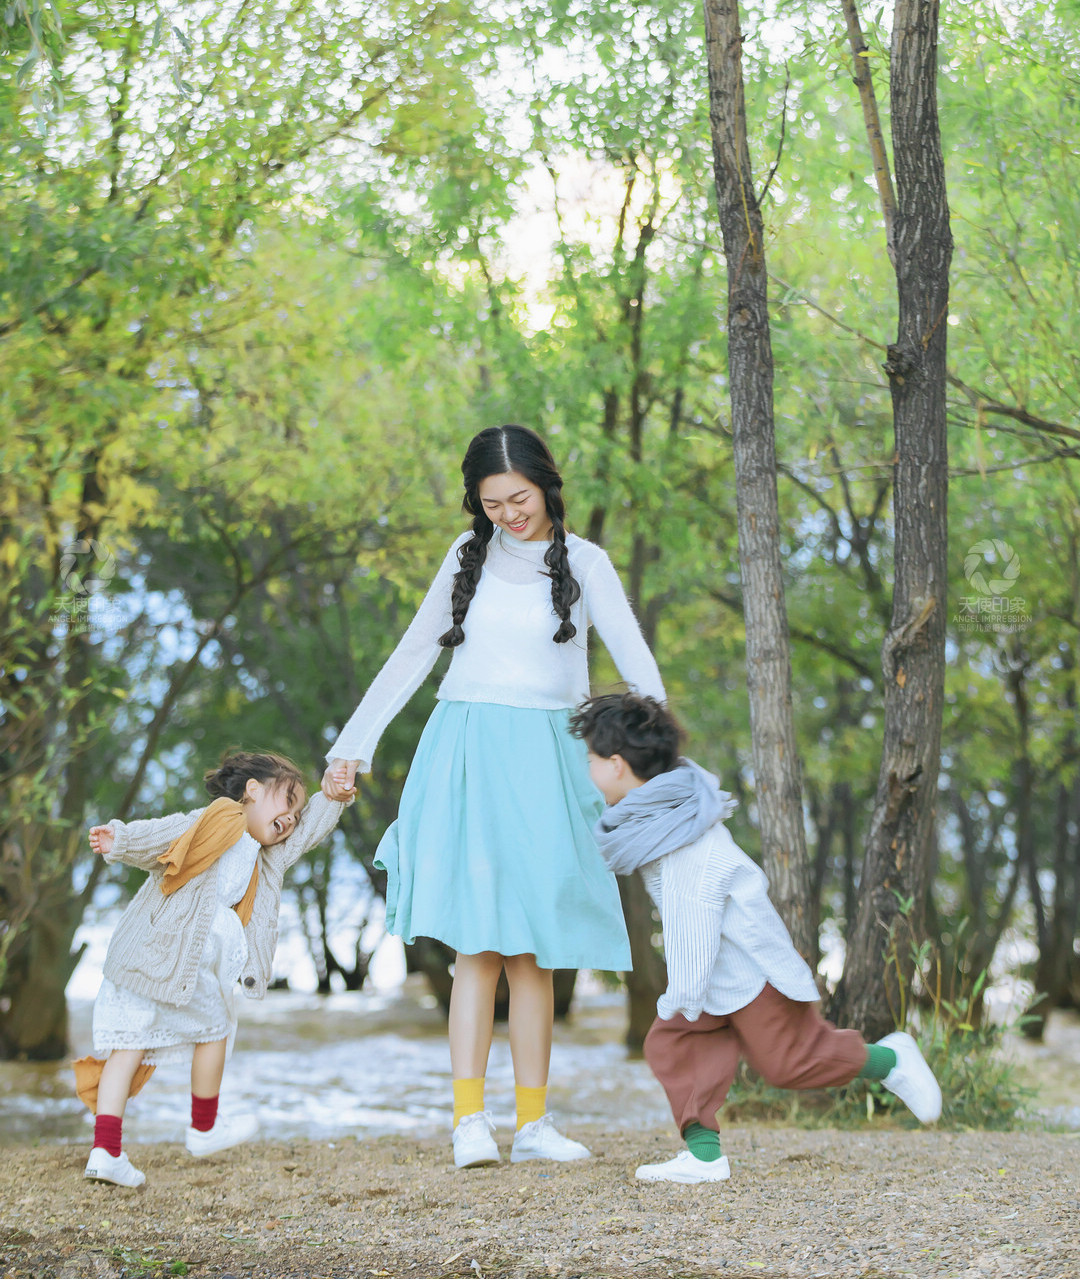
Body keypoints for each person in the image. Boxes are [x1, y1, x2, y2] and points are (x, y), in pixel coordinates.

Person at [325, 424, 666, 1169]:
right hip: (469, 750)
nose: (509, 514)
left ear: (547, 482)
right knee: (477, 946)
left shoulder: (586, 563)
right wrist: (352, 747)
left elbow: (634, 656)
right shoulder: (465, 557)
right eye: (492, 503)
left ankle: (535, 1124)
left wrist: (657, 750)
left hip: (551, 758)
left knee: (533, 952)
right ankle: (469, 1122)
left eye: (519, 498)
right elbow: (414, 651)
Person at [571, 692, 942, 1185]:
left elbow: (694, 924)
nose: (589, 770)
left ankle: (891, 1059)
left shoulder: (682, 841)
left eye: (592, 760)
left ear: (617, 766)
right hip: (717, 978)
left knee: (788, 1064)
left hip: (750, 973)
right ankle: (704, 1156)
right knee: (675, 1044)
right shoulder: (662, 818)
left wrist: (681, 995)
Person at [78, 750, 354, 1187]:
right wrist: (122, 840)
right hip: (159, 951)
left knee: (139, 1045)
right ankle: (203, 1128)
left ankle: (106, 1150)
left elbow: (309, 834)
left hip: (173, 962)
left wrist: (332, 796)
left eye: (297, 814)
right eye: (288, 803)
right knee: (209, 1031)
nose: (292, 820)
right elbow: (168, 833)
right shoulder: (222, 818)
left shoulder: (267, 858)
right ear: (253, 791)